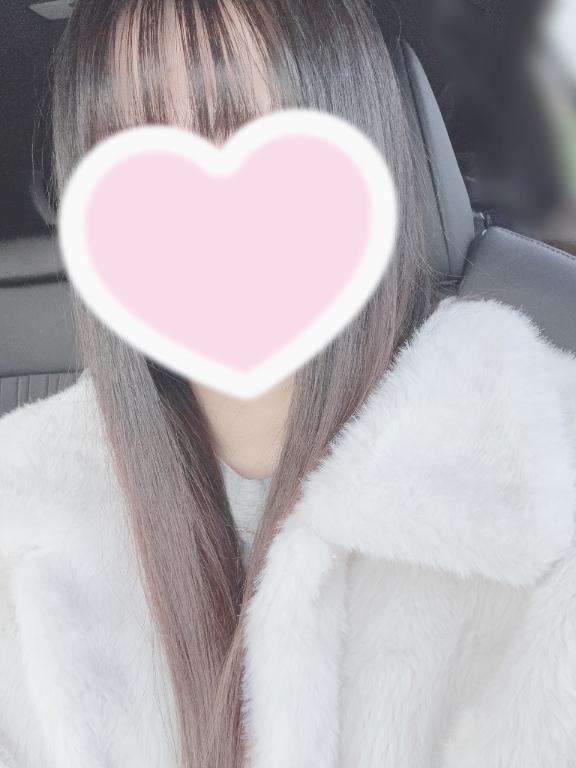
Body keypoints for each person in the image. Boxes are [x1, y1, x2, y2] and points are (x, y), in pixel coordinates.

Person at [0, 1, 575, 767]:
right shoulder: (21, 518)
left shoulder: (545, 481)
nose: (209, 224)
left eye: (259, 136)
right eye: (141, 163)